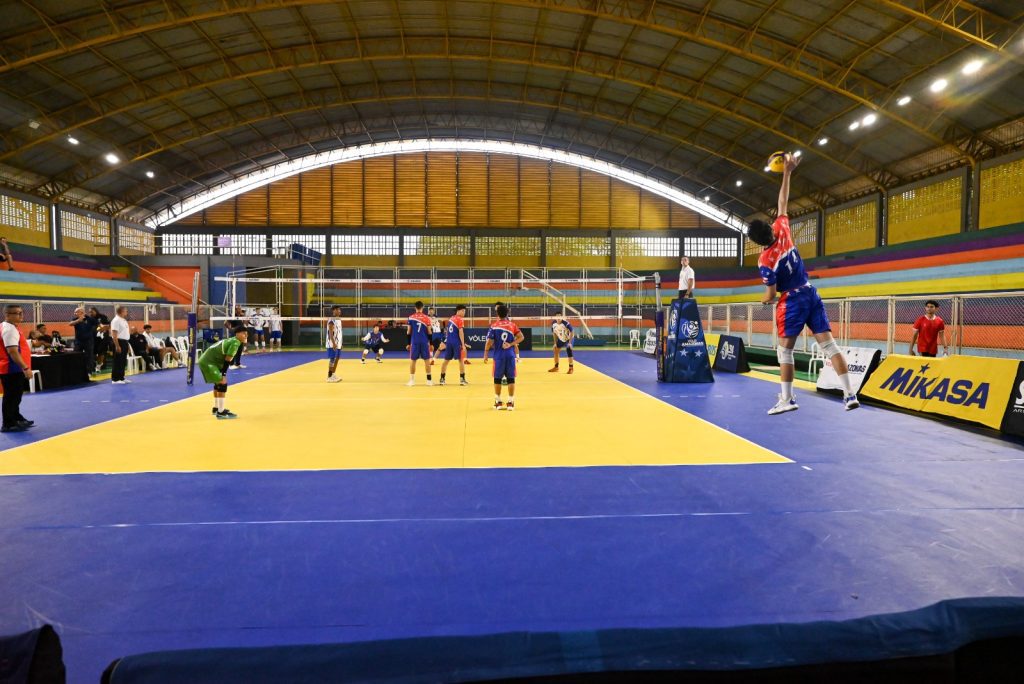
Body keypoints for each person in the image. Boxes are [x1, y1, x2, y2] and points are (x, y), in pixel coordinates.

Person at [746, 152, 859, 414]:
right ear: (771, 229)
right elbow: (783, 201)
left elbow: (772, 295)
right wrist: (787, 172)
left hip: (792, 300)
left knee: (784, 352)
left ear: (758, 242)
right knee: (830, 346)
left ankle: (787, 399)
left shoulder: (765, 260)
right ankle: (849, 394)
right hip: (810, 291)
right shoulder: (783, 229)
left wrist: (764, 300)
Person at [197, 325, 247, 419]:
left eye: (246, 334)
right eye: (243, 333)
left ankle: (216, 408)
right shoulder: (235, 343)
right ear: (237, 334)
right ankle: (221, 412)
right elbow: (228, 360)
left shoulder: (233, 340)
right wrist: (223, 374)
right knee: (222, 383)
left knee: (218, 383)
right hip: (209, 362)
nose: (245, 335)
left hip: (209, 361)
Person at [483, 303, 524, 410]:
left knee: (497, 379)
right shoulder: (512, 325)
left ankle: (498, 402)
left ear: (497, 313)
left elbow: (489, 342)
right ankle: (510, 402)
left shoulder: (494, 326)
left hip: (499, 356)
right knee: (511, 379)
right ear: (507, 313)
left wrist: (486, 354)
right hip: (510, 355)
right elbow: (521, 337)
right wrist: (510, 344)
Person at [1, 303, 34, 432]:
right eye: (17, 313)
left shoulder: (11, 327)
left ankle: (16, 418)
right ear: (7, 315)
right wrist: (25, 368)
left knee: (16, 396)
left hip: (13, 368)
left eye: (21, 313)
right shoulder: (9, 329)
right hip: (12, 369)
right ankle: (8, 423)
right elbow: (13, 351)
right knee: (11, 396)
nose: (21, 315)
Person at [439, 304, 468, 386]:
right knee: (461, 360)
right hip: (456, 343)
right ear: (458, 311)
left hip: (449, 342)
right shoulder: (460, 319)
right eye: (463, 311)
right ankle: (462, 380)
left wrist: (445, 341)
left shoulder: (451, 318)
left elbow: (447, 331)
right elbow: (461, 332)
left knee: (446, 361)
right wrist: (463, 344)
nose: (464, 313)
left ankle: (442, 379)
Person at [406, 301, 433, 386]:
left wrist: (408, 343)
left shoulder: (411, 317)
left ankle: (412, 381)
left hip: (415, 342)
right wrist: (431, 343)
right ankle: (429, 381)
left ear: (415, 307)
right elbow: (429, 332)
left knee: (413, 360)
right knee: (427, 360)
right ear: (422, 307)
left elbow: (408, 332)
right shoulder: (427, 318)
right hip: (424, 342)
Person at [69, 307, 99, 374]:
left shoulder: (90, 319)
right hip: (78, 341)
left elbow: (98, 325)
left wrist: (97, 330)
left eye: (76, 312)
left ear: (82, 312)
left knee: (89, 356)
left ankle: (89, 371)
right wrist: (78, 320)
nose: (74, 313)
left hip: (88, 341)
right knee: (76, 355)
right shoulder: (75, 319)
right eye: (75, 312)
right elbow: (70, 324)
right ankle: (77, 371)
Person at [109, 306, 131, 384]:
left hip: (124, 342)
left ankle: (121, 377)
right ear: (121, 311)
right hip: (118, 342)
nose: (127, 312)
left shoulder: (123, 320)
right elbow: (114, 334)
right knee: (117, 361)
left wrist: (127, 344)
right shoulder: (116, 320)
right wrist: (117, 346)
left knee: (122, 361)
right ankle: (115, 379)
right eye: (126, 311)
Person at [325, 305, 343, 383]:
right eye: (337, 310)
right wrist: (334, 343)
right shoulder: (331, 320)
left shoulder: (339, 320)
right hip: (332, 343)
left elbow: (339, 332)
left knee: (337, 358)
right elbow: (330, 333)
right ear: (333, 311)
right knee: (332, 359)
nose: (339, 311)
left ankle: (333, 374)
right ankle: (329, 376)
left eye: (339, 309)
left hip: (338, 343)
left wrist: (341, 343)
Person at [91, 307, 111, 373]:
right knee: (93, 352)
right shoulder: (90, 318)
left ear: (95, 311)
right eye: (89, 312)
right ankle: (95, 364)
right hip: (94, 337)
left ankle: (99, 366)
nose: (90, 313)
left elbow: (109, 326)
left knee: (101, 352)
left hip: (103, 338)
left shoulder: (102, 317)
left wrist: (102, 328)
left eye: (92, 312)